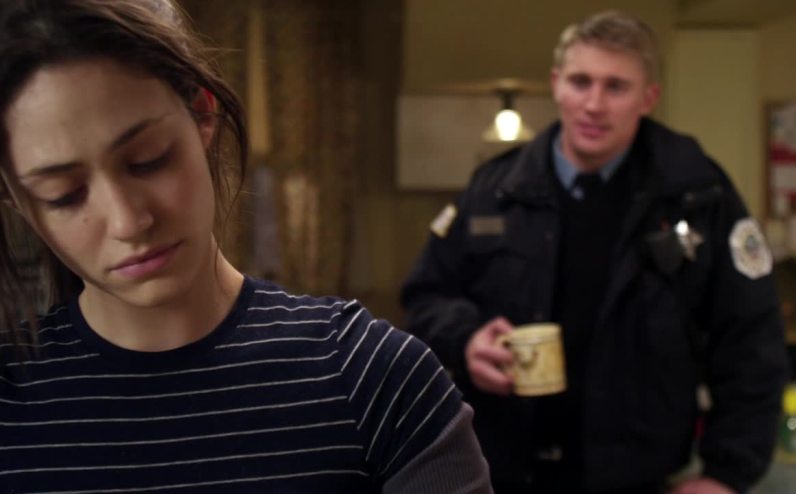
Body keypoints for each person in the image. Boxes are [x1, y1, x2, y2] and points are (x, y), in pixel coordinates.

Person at [0, 1, 493, 493]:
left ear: (202, 113)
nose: (128, 222)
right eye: (64, 194)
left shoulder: (373, 376)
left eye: (149, 159)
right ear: (16, 198)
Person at [401, 10, 789, 494]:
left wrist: (725, 475)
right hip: (500, 470)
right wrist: (465, 338)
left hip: (638, 477)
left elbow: (752, 341)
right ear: (556, 84)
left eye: (616, 87)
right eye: (580, 81)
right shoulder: (495, 188)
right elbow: (425, 296)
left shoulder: (697, 193)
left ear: (648, 98)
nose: (593, 104)